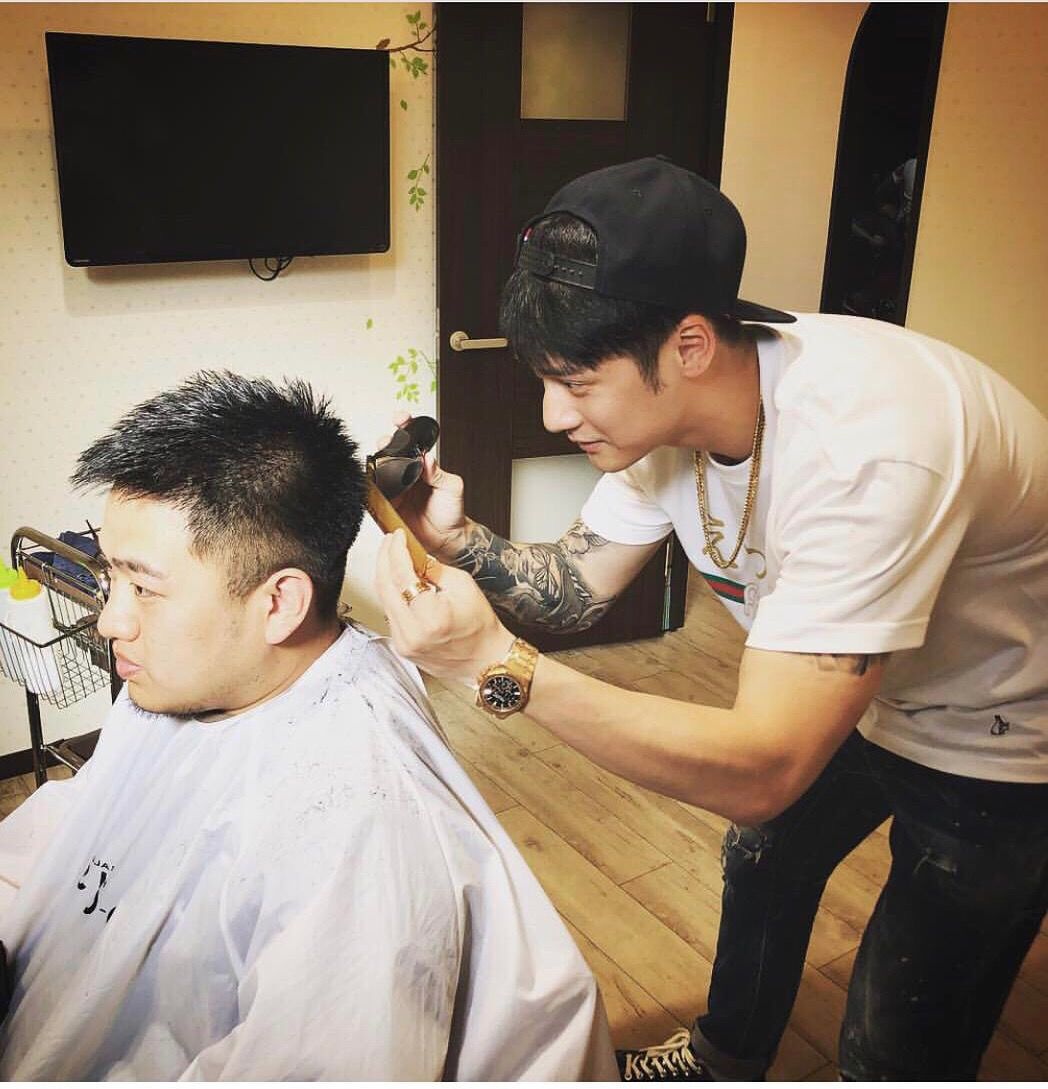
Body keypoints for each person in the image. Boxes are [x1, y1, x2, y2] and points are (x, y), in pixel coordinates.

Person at [374, 157, 1048, 1081]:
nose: (553, 413)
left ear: (689, 344)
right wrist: (457, 543)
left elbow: (765, 768)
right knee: (764, 858)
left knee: (896, 1039)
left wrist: (498, 665)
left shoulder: (865, 448)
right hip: (866, 687)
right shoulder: (663, 424)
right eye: (544, 379)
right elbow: (575, 585)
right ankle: (726, 1056)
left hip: (1001, 724)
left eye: (576, 382)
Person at [0, 372, 617, 1081]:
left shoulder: (357, 826)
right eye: (111, 578)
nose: (110, 621)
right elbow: (80, 828)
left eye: (144, 587)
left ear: (279, 604)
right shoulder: (179, 680)